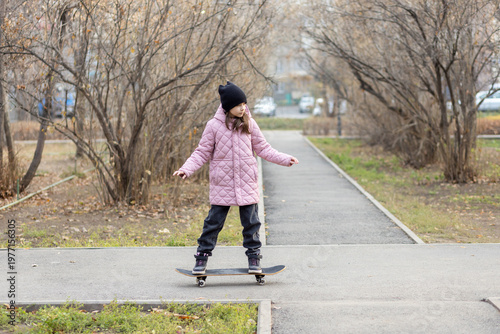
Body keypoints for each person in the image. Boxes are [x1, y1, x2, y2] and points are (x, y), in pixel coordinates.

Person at [173, 81, 299, 275]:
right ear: (227, 106)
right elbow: (201, 153)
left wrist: (285, 159)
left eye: (244, 104)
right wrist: (186, 169)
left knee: (251, 224)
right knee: (213, 224)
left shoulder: (249, 122)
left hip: (247, 183)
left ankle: (254, 257)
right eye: (239, 105)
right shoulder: (213, 126)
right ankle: (201, 258)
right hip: (222, 185)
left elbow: (263, 148)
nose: (243, 108)